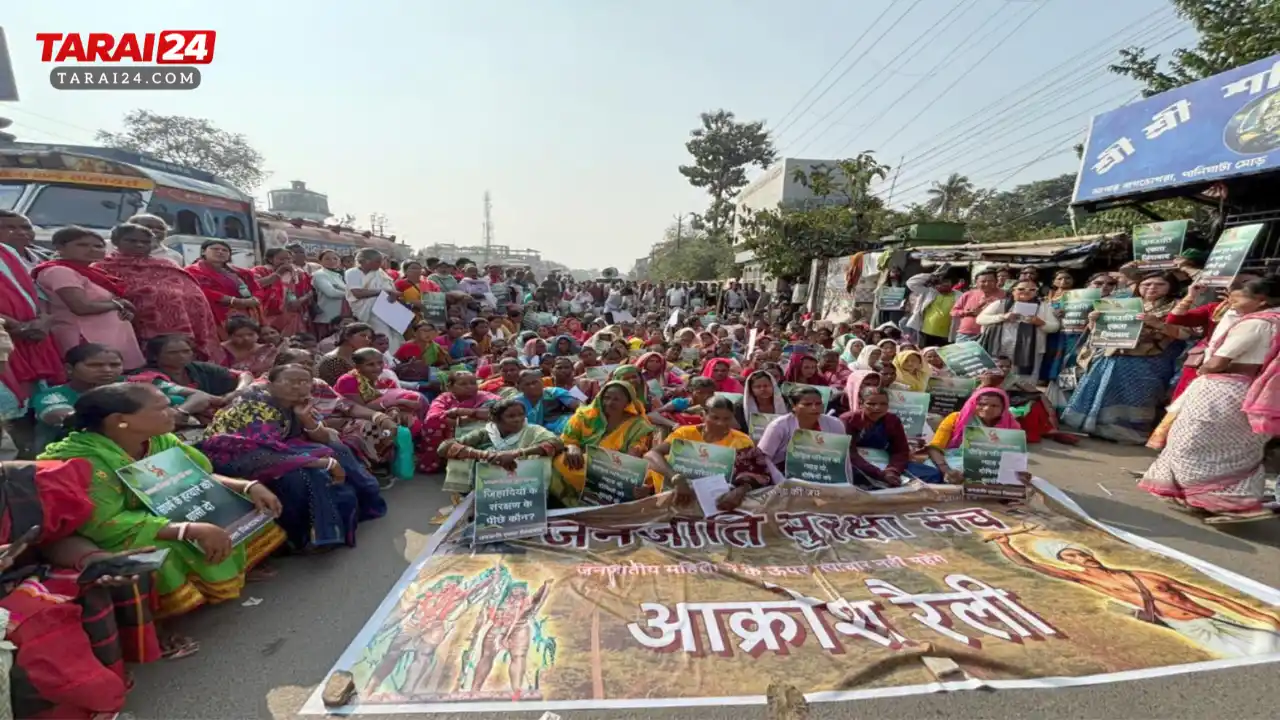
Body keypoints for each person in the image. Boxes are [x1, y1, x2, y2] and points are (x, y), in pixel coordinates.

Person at [37, 383, 286, 627]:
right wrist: (186, 529)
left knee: (243, 501)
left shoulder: (159, 439)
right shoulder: (84, 460)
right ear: (120, 420)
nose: (173, 413)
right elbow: (104, 523)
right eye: (161, 409)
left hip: (169, 507)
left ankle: (236, 569)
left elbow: (199, 476)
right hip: (116, 529)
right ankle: (164, 621)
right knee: (163, 549)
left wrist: (248, 486)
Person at [0, 458, 164, 718]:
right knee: (37, 624)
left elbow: (54, 540)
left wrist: (94, 560)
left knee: (93, 579)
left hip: (17, 576)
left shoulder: (19, 482)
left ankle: (99, 690)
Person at [986, 535, 1280, 658]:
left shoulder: (1146, 575)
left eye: (1080, 553)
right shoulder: (1086, 579)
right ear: (1067, 563)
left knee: (1271, 639)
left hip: (1216, 617)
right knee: (1256, 657)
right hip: (1190, 628)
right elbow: (1029, 564)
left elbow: (1216, 598)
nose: (1080, 558)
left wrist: (1261, 616)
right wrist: (1004, 543)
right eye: (1070, 557)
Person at [198, 365, 386, 550]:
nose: (298, 386)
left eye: (304, 382)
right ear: (270, 384)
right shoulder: (254, 404)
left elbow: (323, 437)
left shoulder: (299, 403)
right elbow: (257, 452)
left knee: (337, 449)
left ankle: (361, 505)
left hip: (277, 448)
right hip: (236, 456)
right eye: (290, 381)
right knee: (302, 475)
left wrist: (305, 418)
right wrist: (325, 463)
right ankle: (305, 536)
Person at [1139, 276, 1280, 523]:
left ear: (1260, 300)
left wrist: (1204, 369)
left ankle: (1224, 502)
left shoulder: (1256, 323)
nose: (1231, 304)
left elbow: (1218, 361)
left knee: (1191, 441)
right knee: (1233, 448)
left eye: (1236, 299)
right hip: (1252, 389)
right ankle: (1214, 499)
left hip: (1223, 388)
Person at [1062, 271, 1190, 444]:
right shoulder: (1125, 304)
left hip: (1148, 361)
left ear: (1171, 287)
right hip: (1112, 356)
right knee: (1105, 392)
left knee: (1137, 397)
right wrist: (1094, 321)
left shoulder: (1179, 306)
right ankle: (1097, 429)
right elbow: (1101, 332)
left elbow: (1187, 334)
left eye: (1160, 284)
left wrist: (1158, 324)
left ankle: (1129, 435)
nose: (1152, 288)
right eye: (1147, 284)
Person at [96, 222, 222, 361]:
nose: (139, 245)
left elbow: (192, 291)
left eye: (145, 242)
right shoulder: (104, 267)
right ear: (116, 242)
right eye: (132, 241)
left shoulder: (167, 264)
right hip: (133, 326)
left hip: (183, 327)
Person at [32, 227, 144, 370]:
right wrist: (118, 304)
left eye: (98, 246)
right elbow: (80, 307)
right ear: (60, 247)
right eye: (82, 245)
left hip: (108, 338)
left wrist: (122, 310)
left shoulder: (91, 271)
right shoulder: (59, 271)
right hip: (84, 339)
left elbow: (103, 302)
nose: (92, 250)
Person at [645, 396, 776, 506]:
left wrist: (740, 490)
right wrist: (676, 478)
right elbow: (651, 454)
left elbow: (757, 475)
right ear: (703, 416)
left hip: (719, 502)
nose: (721, 423)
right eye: (715, 418)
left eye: (727, 419)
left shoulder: (742, 441)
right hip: (676, 496)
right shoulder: (685, 434)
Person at [551, 380, 657, 506]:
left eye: (616, 399)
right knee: (559, 461)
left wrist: (613, 472)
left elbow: (632, 458)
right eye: (606, 397)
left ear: (628, 402)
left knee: (649, 478)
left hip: (616, 470)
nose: (609, 403)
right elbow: (568, 439)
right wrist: (572, 447)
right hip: (580, 463)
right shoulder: (584, 415)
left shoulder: (638, 425)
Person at [438, 397, 564, 493]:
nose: (518, 419)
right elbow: (444, 448)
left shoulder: (533, 430)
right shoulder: (487, 432)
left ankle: (537, 497)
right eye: (511, 416)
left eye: (521, 414)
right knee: (458, 454)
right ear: (496, 419)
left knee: (544, 455)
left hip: (525, 481)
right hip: (490, 483)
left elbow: (556, 443)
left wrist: (516, 453)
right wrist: (486, 455)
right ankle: (467, 495)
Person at [843, 386, 943, 486]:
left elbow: (901, 451)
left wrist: (892, 471)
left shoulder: (893, 420)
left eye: (883, 404)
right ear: (861, 403)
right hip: (858, 464)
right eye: (871, 404)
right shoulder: (849, 420)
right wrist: (879, 474)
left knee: (933, 474)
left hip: (885, 463)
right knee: (853, 475)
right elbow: (849, 453)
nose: (877, 408)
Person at [924, 386, 1020, 483]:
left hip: (992, 466)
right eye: (981, 404)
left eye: (994, 406)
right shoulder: (956, 419)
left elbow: (1015, 455)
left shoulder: (1011, 425)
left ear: (1003, 407)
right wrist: (947, 470)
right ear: (973, 403)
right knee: (932, 471)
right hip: (953, 461)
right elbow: (934, 448)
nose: (987, 409)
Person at [976, 280, 1061, 383]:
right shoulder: (1000, 304)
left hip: (1031, 351)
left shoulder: (1043, 306)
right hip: (1000, 348)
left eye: (1032, 289)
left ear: (1036, 292)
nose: (1026, 291)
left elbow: (1055, 327)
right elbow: (980, 319)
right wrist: (1003, 317)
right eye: (1021, 289)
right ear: (1013, 291)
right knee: (996, 377)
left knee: (1024, 382)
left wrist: (1040, 322)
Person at [756, 386, 848, 480]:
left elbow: (842, 458)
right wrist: (780, 481)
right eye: (807, 404)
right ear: (794, 406)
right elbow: (763, 458)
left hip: (824, 474)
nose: (814, 408)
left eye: (818, 404)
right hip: (783, 475)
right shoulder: (778, 426)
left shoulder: (835, 424)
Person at [421, 371, 499, 474]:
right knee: (433, 424)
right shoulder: (444, 398)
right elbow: (432, 417)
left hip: (478, 435)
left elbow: (502, 410)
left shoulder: (486, 397)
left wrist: (464, 412)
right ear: (450, 387)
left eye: (473, 383)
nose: (469, 387)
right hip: (450, 434)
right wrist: (462, 421)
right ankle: (438, 460)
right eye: (463, 384)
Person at [184, 239, 263, 329]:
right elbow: (201, 290)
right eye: (215, 249)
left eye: (225, 250)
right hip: (212, 317)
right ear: (203, 252)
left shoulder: (241, 272)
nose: (220, 252)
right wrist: (235, 301)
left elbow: (256, 288)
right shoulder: (192, 271)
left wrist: (256, 299)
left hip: (246, 316)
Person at [345, 249, 402, 354]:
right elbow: (357, 293)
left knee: (397, 336)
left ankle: (395, 359)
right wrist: (383, 292)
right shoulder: (352, 273)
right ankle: (385, 358)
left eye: (381, 261)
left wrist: (393, 295)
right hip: (369, 311)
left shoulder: (380, 273)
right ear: (363, 261)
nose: (380, 264)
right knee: (382, 336)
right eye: (377, 261)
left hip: (388, 309)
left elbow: (390, 290)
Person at [252, 247, 313, 337]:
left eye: (289, 259)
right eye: (281, 259)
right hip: (267, 314)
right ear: (270, 259)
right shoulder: (260, 270)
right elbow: (254, 285)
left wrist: (300, 300)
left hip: (290, 313)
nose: (286, 262)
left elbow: (310, 290)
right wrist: (278, 273)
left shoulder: (297, 273)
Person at [513, 369, 579, 434]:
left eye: (535, 382)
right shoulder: (517, 402)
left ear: (542, 382)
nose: (532, 386)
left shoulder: (553, 392)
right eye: (527, 384)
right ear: (520, 387)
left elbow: (578, 406)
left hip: (562, 426)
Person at [905, 271, 959, 347]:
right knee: (925, 352)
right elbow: (911, 283)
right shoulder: (929, 292)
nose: (944, 284)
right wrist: (931, 275)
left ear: (951, 283)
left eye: (946, 281)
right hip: (925, 332)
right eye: (940, 282)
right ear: (936, 283)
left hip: (946, 335)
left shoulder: (960, 295)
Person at [951, 269, 1005, 342]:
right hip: (966, 334)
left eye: (990, 281)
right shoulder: (968, 294)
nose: (987, 284)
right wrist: (966, 312)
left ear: (996, 281)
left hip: (992, 335)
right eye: (983, 281)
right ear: (976, 282)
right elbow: (953, 312)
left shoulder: (1005, 295)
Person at [318, 322, 375, 386]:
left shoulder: (354, 358)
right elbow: (342, 387)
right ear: (347, 336)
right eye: (363, 335)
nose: (367, 340)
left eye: (369, 337)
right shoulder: (334, 360)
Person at [310, 250, 349, 338]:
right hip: (327, 318)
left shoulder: (339, 275)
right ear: (320, 261)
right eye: (327, 259)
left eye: (335, 259)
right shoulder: (320, 274)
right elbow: (331, 293)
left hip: (341, 317)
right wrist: (352, 294)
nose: (332, 261)